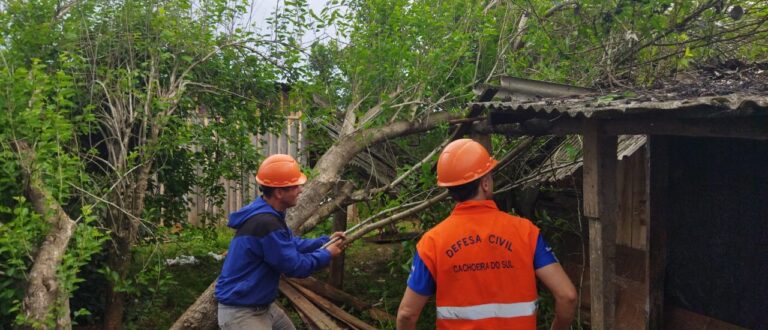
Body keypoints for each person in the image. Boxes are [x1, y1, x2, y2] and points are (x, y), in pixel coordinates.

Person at [396, 139, 577, 330]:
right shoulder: (526, 233)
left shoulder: (432, 242)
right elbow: (567, 296)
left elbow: (407, 314)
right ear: (485, 184)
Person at [215, 154, 346, 330]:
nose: (300, 190)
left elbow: (290, 244)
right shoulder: (265, 222)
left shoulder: (268, 212)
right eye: (296, 186)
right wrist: (327, 254)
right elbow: (295, 266)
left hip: (262, 306)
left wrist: (324, 241)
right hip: (242, 312)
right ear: (279, 192)